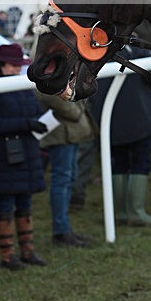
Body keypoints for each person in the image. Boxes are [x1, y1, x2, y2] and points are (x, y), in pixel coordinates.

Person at [0, 44, 47, 270]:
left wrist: (38, 121)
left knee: (25, 201)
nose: (15, 69)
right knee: (7, 203)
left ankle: (27, 250)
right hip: (6, 153)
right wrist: (28, 123)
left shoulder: (22, 85)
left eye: (18, 65)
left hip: (26, 150)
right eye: (12, 65)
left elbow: (33, 111)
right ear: (2, 65)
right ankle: (8, 255)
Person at [90, 46, 151, 227]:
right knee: (140, 162)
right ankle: (135, 212)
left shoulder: (95, 48)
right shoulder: (134, 47)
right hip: (138, 114)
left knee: (118, 164)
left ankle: (122, 212)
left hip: (109, 117)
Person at [38, 93, 94, 247]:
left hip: (70, 134)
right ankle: (61, 231)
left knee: (67, 180)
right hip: (62, 135)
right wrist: (77, 109)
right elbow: (64, 105)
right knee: (62, 181)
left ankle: (64, 229)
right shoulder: (48, 73)